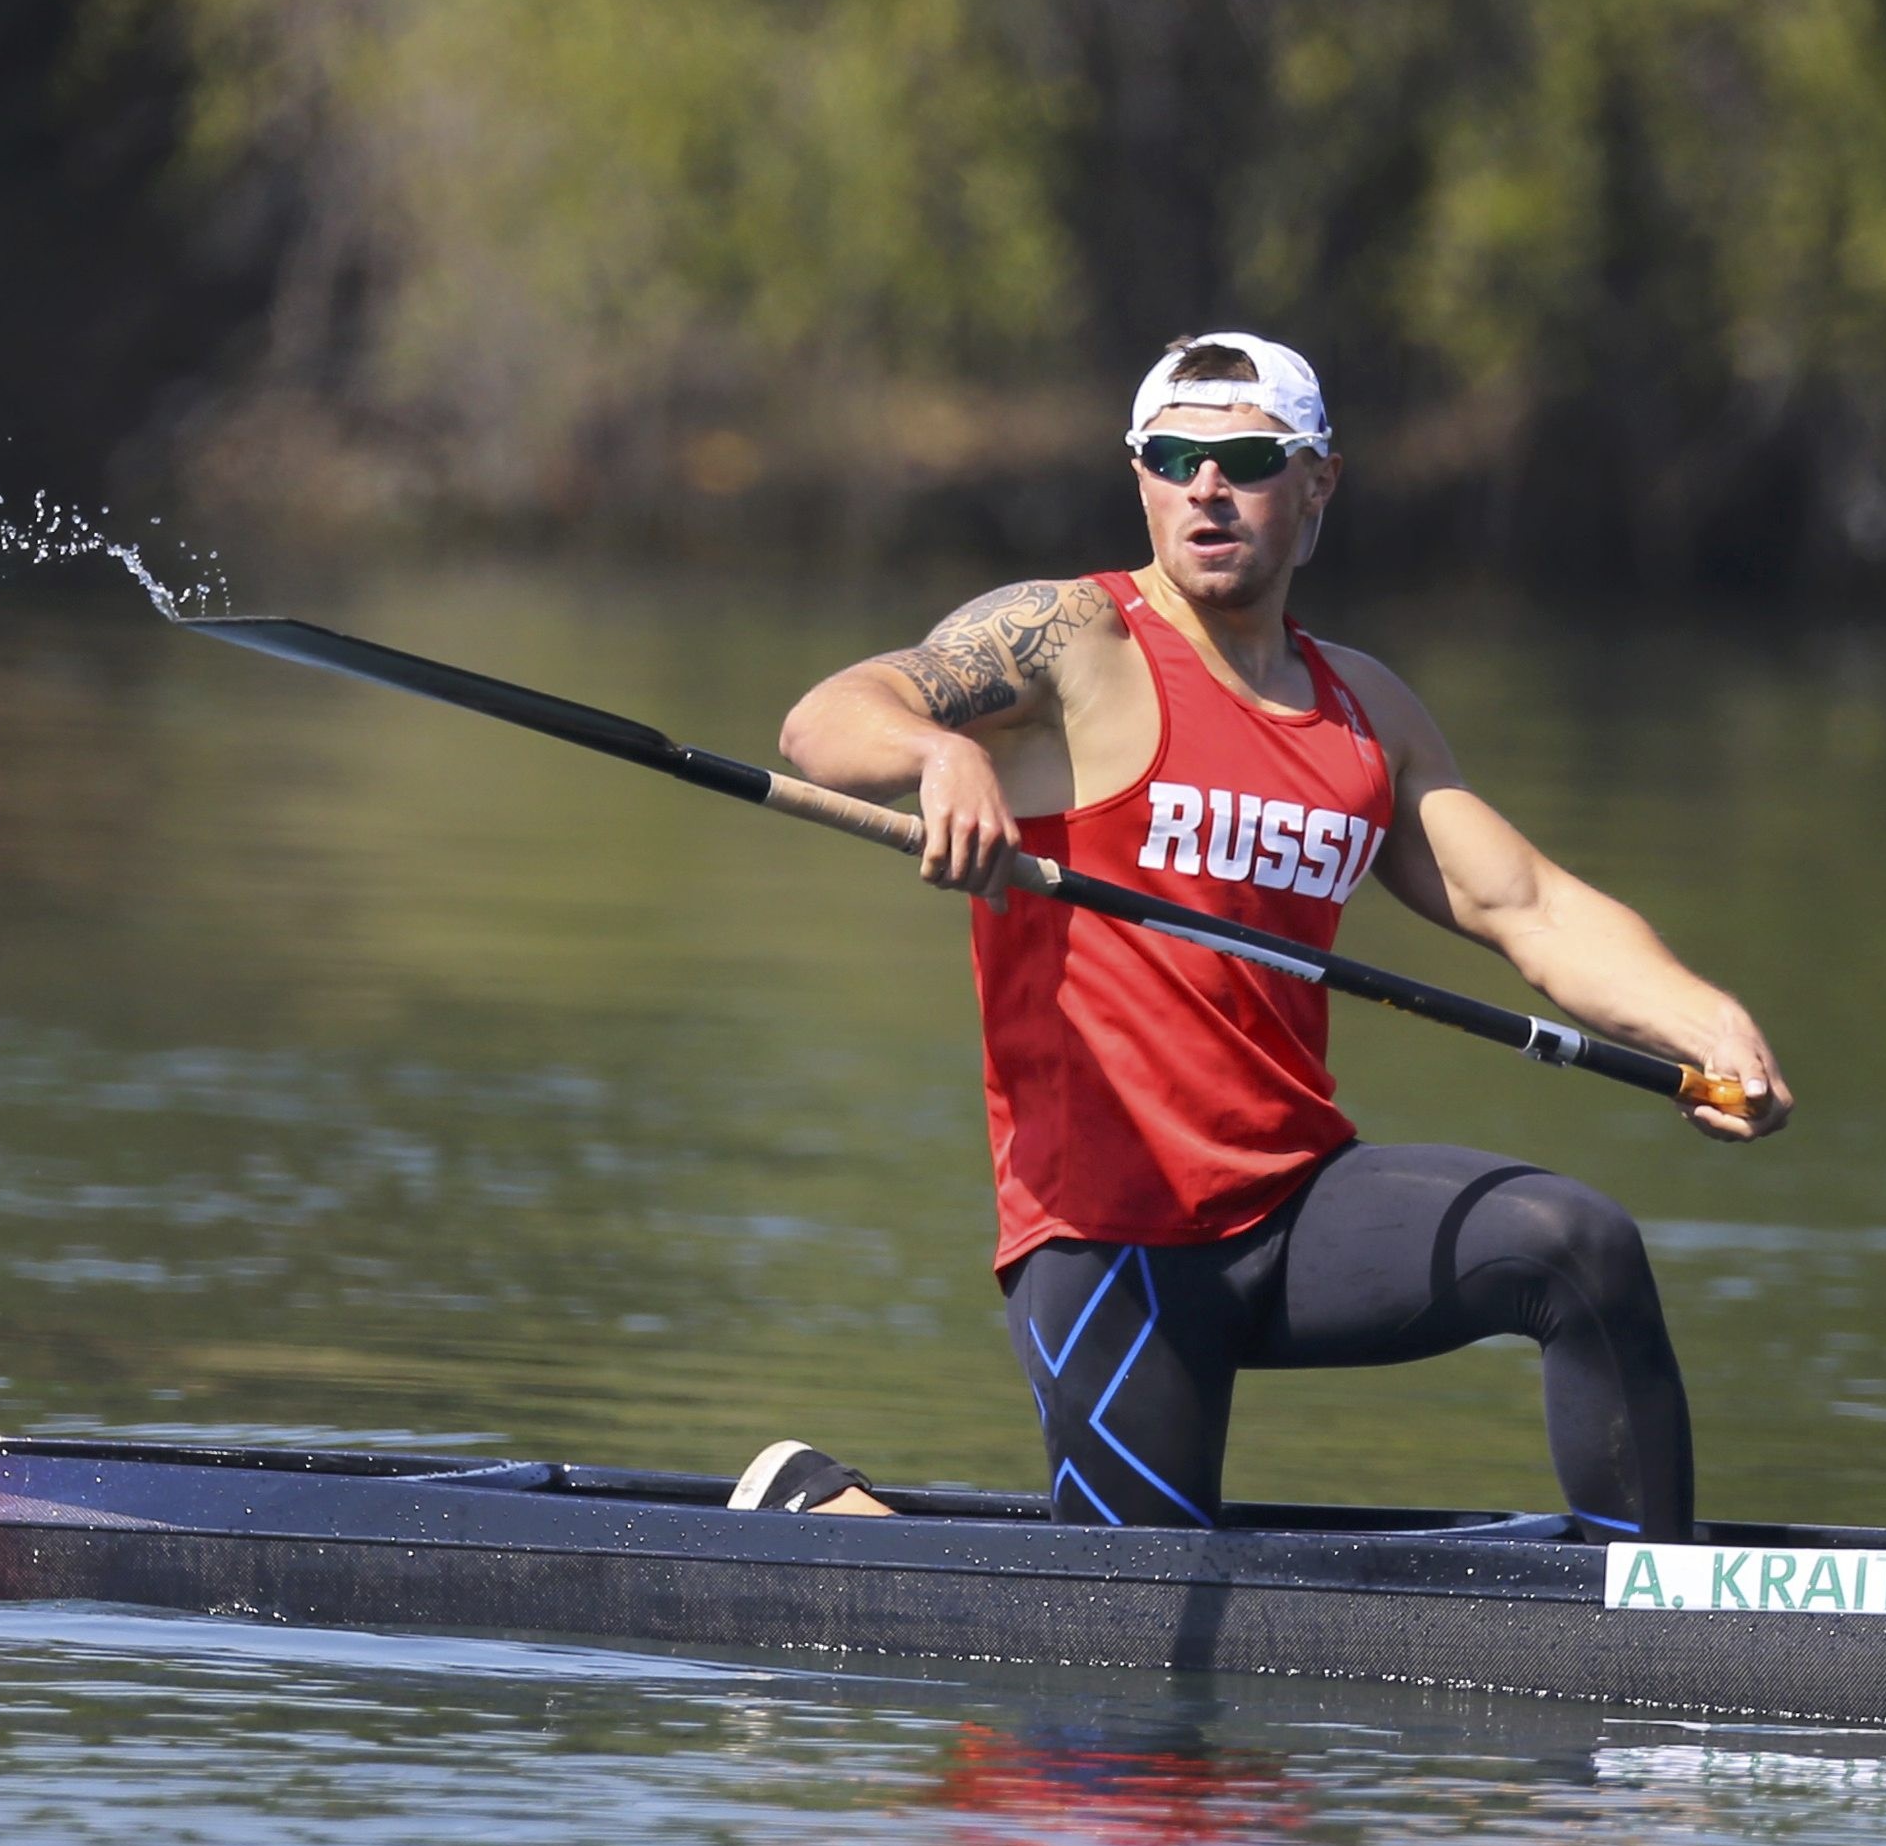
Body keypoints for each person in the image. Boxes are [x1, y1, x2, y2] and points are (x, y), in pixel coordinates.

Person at [725, 331, 1788, 1539]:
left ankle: (1654, 1613)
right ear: (1139, 477)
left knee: (1575, 1245)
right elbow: (828, 718)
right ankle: (832, 1513)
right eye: (1173, 458)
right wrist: (939, 752)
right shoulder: (1072, 641)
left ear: (1318, 480)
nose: (1205, 487)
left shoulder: (1362, 711)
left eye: (1245, 459)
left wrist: (1700, 1020)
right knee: (1129, 1677)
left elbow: (1524, 905)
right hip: (1107, 1236)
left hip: (1295, 1210)